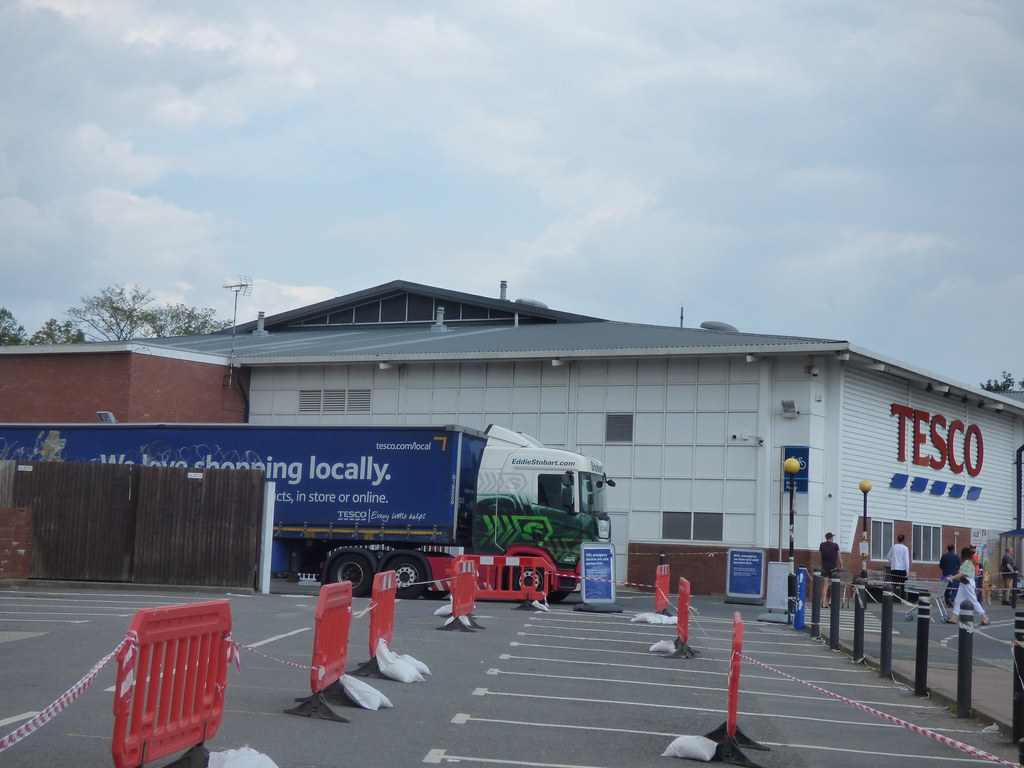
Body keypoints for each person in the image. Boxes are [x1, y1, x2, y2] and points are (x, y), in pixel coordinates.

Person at [945, 545, 990, 625]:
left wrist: (952, 578)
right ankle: (953, 618)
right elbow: (961, 573)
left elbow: (963, 573)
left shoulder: (967, 562)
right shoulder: (969, 562)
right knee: (958, 600)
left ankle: (984, 617)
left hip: (967, 583)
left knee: (973, 601)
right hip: (964, 583)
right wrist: (953, 577)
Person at [818, 532, 844, 608]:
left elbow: (820, 556)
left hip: (825, 568)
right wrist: (841, 566)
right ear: (831, 538)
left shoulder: (822, 545)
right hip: (833, 569)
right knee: (834, 585)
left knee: (825, 586)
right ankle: (831, 601)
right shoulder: (835, 546)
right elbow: (840, 557)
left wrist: (821, 565)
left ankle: (823, 603)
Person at [886, 533, 910, 600]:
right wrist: (907, 570)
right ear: (903, 540)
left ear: (897, 539)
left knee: (893, 584)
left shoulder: (893, 547)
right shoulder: (905, 548)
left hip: (894, 568)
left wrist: (893, 561)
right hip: (903, 569)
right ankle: (902, 600)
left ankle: (889, 599)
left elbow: (888, 557)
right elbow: (906, 560)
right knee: (903, 585)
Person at [938, 544, 960, 608]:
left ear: (948, 549)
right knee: (955, 588)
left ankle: (947, 602)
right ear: (953, 549)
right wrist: (956, 569)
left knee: (946, 589)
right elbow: (959, 565)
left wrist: (945, 569)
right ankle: (952, 598)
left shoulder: (944, 556)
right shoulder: (955, 556)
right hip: (953, 575)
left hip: (945, 575)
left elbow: (941, 565)